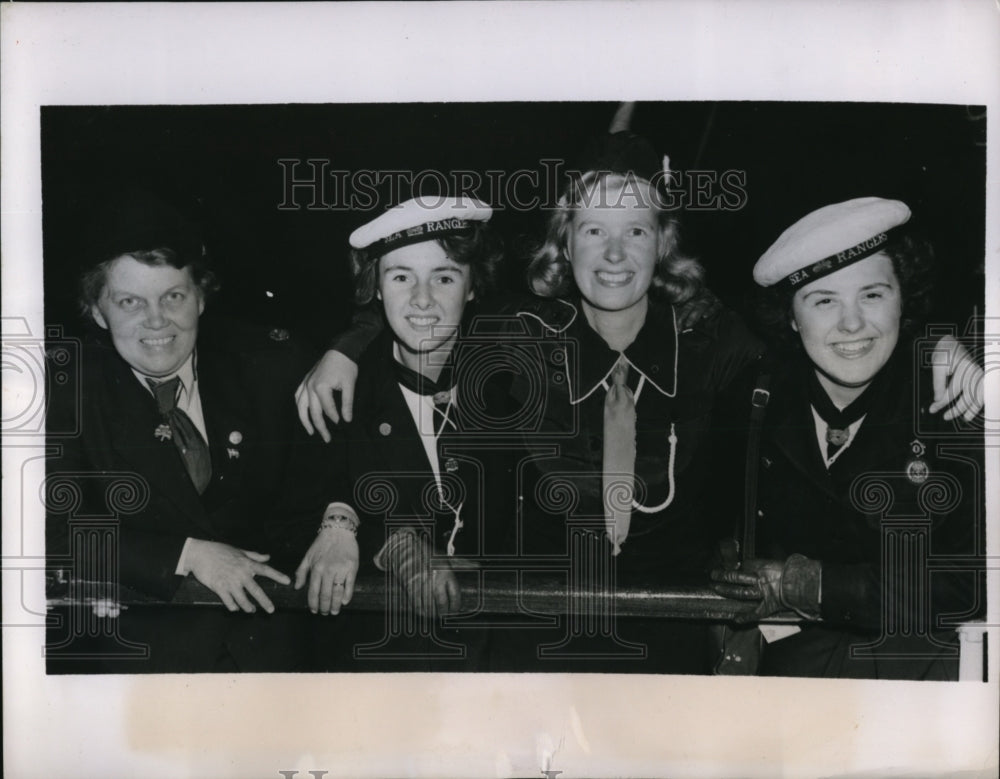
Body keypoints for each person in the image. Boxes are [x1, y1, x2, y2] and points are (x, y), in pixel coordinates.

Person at [45, 189, 350, 672]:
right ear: (98, 312)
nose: (156, 321)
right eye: (129, 302)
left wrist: (340, 523)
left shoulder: (270, 365)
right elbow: (53, 529)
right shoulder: (65, 391)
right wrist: (188, 555)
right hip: (139, 661)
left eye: (173, 296)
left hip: (274, 656)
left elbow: (339, 469)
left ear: (201, 297)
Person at [711, 197, 984, 679]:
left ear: (904, 298)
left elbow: (971, 581)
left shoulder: (952, 403)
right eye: (824, 300)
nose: (852, 323)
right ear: (792, 318)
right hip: (797, 684)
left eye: (873, 295)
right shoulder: (757, 399)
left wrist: (816, 585)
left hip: (920, 682)